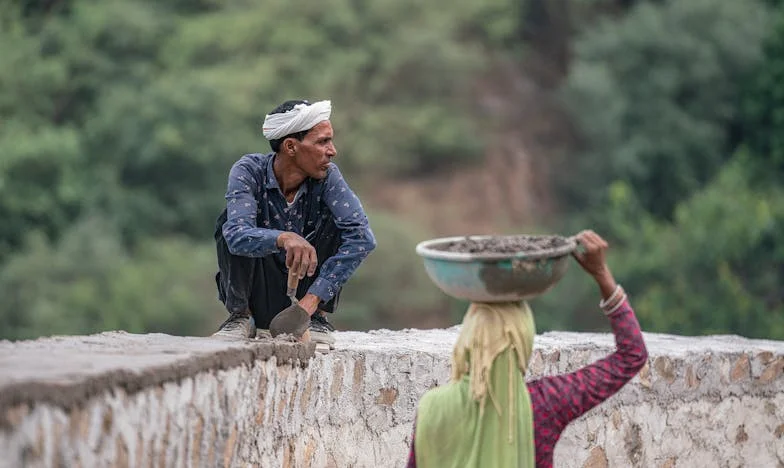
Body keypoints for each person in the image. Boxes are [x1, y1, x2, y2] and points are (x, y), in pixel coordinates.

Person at [406, 230, 648, 468]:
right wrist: (601, 274)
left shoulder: (433, 409)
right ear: (522, 342)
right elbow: (631, 357)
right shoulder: (545, 405)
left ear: (469, 338)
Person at [212, 99, 376, 348]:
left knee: (342, 224)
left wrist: (310, 303)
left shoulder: (328, 178)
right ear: (290, 147)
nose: (332, 151)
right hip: (259, 288)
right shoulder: (249, 171)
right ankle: (241, 316)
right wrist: (284, 238)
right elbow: (236, 236)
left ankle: (319, 318)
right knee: (228, 222)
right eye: (322, 142)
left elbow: (362, 237)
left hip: (306, 296)